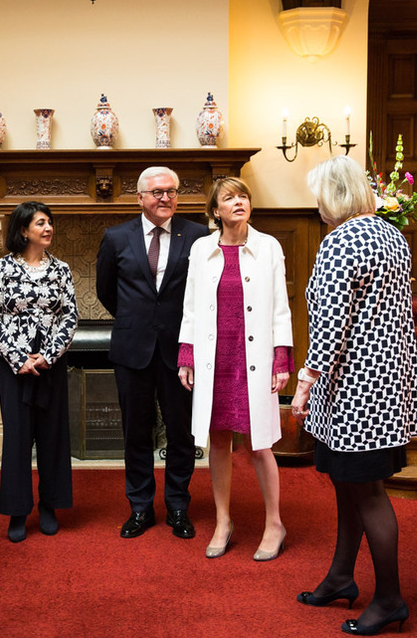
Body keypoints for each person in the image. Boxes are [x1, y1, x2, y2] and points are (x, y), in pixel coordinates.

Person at [291, 155, 417, 635]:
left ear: (335, 196)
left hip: (356, 389)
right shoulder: (392, 235)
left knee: (367, 491)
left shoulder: (340, 242)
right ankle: (341, 577)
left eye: (319, 197)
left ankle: (389, 599)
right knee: (349, 487)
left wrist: (303, 382)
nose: (317, 206)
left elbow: (330, 325)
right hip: (388, 382)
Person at [177, 177, 293, 561]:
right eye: (229, 198)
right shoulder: (200, 249)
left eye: (243, 196)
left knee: (260, 444)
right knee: (219, 440)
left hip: (255, 359)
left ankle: (274, 522)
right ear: (215, 211)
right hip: (216, 358)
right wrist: (187, 355)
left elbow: (280, 307)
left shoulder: (268, 247)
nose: (239, 202)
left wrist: (282, 359)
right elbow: (191, 307)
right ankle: (223, 520)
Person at [96, 166, 208, 539]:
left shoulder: (197, 235)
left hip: (181, 353)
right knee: (137, 434)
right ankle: (140, 508)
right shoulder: (116, 237)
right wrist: (137, 320)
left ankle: (177, 506)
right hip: (132, 350)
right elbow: (106, 291)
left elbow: (203, 293)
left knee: (181, 434)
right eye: (157, 192)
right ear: (140, 197)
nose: (165, 198)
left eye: (172, 191)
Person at [0, 201, 78, 543]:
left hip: (50, 365)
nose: (48, 227)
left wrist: (48, 356)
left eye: (50, 222)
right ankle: (18, 511)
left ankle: (50, 506)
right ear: (23, 230)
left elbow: (70, 316)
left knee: (52, 436)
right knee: (18, 438)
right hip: (15, 366)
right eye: (40, 223)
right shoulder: (1, 269)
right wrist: (18, 357)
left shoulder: (62, 269)